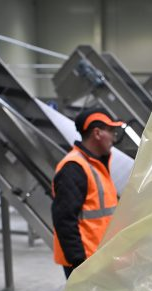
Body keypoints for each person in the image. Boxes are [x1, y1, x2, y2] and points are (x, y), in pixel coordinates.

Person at [51, 109, 123, 279]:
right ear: (97, 133)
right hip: (86, 262)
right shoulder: (74, 168)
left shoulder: (97, 165)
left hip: (100, 257)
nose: (114, 139)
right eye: (111, 131)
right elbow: (64, 221)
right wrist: (79, 265)